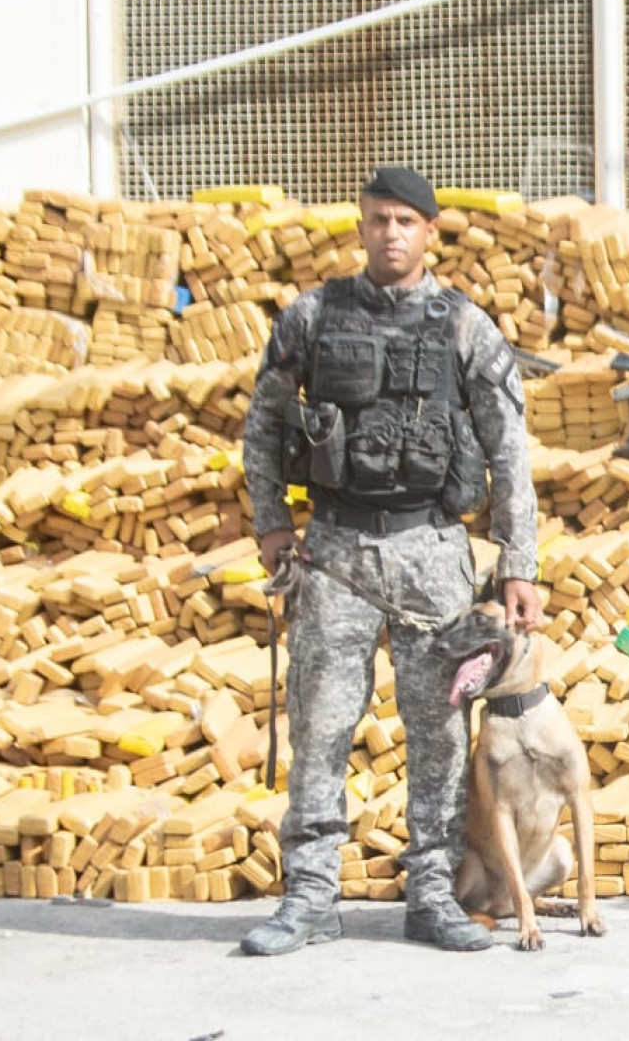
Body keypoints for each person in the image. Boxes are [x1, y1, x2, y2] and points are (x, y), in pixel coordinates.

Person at [238, 166, 544, 956]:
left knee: (440, 731)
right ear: (361, 227)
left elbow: (509, 448)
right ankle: (309, 896)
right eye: (377, 220)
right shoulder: (312, 317)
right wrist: (272, 524)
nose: (390, 234)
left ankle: (433, 893)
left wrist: (520, 562)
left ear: (431, 232)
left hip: (433, 554)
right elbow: (265, 424)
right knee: (322, 723)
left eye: (406, 221)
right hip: (336, 550)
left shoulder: (464, 328)